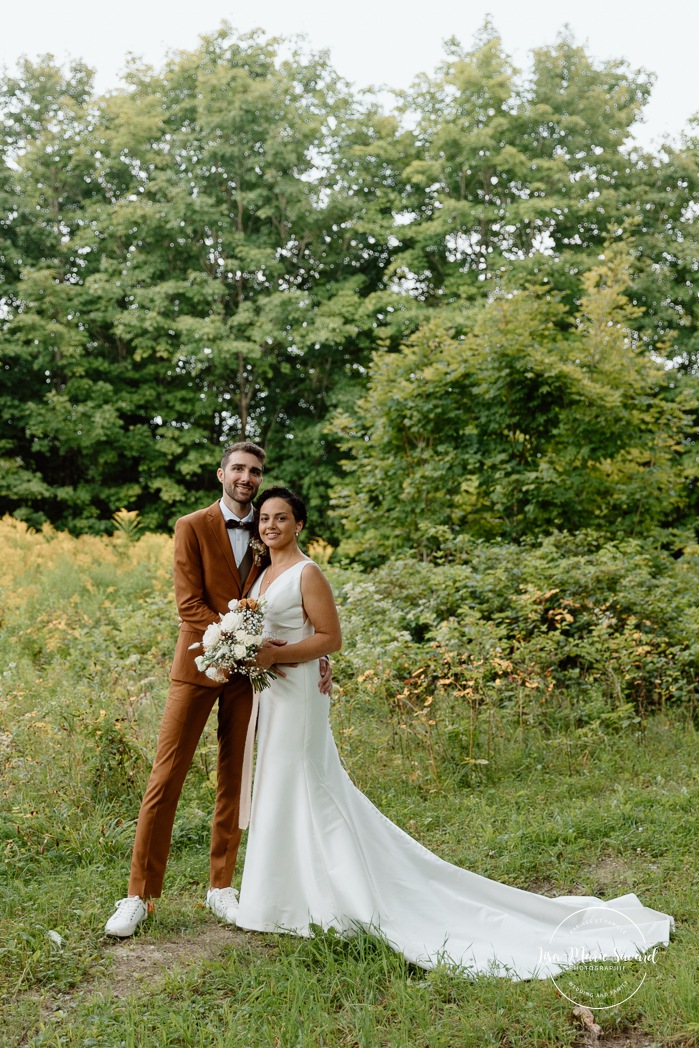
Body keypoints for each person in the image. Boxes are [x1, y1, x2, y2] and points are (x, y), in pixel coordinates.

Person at [235, 486, 673, 978]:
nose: (271, 525)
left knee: (306, 781)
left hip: (299, 696)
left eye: (282, 517)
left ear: (299, 524)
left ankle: (333, 898)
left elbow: (329, 636)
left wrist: (277, 656)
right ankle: (281, 896)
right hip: (274, 694)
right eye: (265, 518)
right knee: (280, 781)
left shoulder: (306, 573)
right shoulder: (262, 572)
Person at [104, 445, 331, 937]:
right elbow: (189, 606)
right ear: (221, 474)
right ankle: (138, 896)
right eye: (239, 469)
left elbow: (290, 602)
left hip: (250, 679)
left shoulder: (268, 531)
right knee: (166, 776)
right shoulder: (191, 525)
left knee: (235, 777)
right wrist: (239, 641)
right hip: (198, 667)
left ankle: (221, 886)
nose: (247, 477)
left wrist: (319, 653)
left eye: (255, 471)